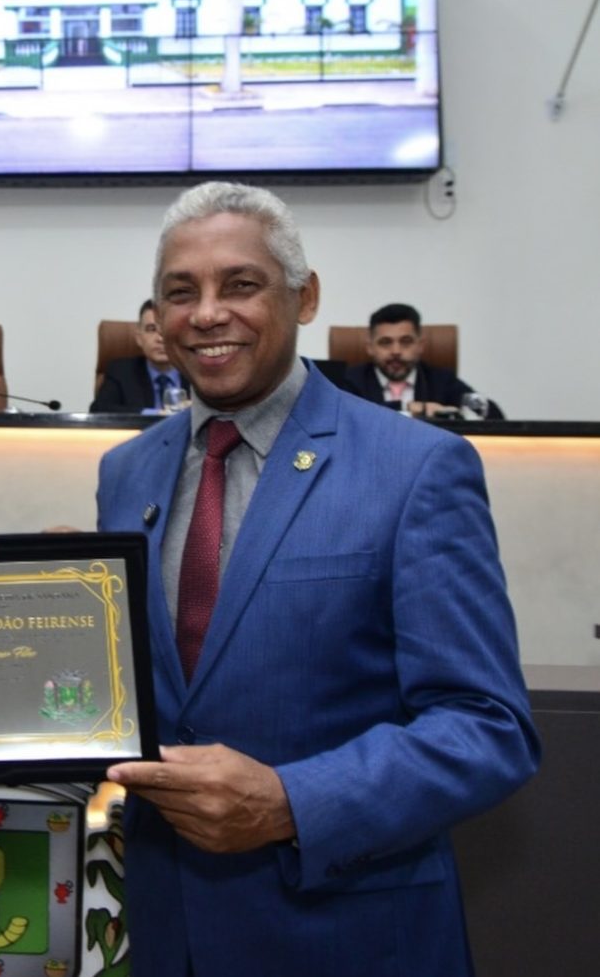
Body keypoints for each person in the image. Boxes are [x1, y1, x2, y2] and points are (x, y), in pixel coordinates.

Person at [98, 182, 539, 976]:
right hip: (170, 932)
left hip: (348, 936)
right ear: (157, 318)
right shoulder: (125, 474)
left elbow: (487, 726)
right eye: (180, 293)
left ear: (304, 297)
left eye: (241, 284)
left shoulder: (417, 468)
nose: (207, 314)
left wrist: (291, 803)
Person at [344, 302, 504, 418]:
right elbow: (347, 415)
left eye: (406, 341)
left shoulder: (441, 380)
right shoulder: (350, 381)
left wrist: (460, 412)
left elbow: (493, 415)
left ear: (420, 345)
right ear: (370, 347)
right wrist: (411, 407)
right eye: (385, 342)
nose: (396, 351)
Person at [90, 298, 188, 413]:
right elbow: (99, 410)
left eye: (166, 329)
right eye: (151, 329)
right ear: (139, 338)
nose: (160, 338)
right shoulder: (121, 372)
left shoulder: (195, 371)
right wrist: (155, 414)